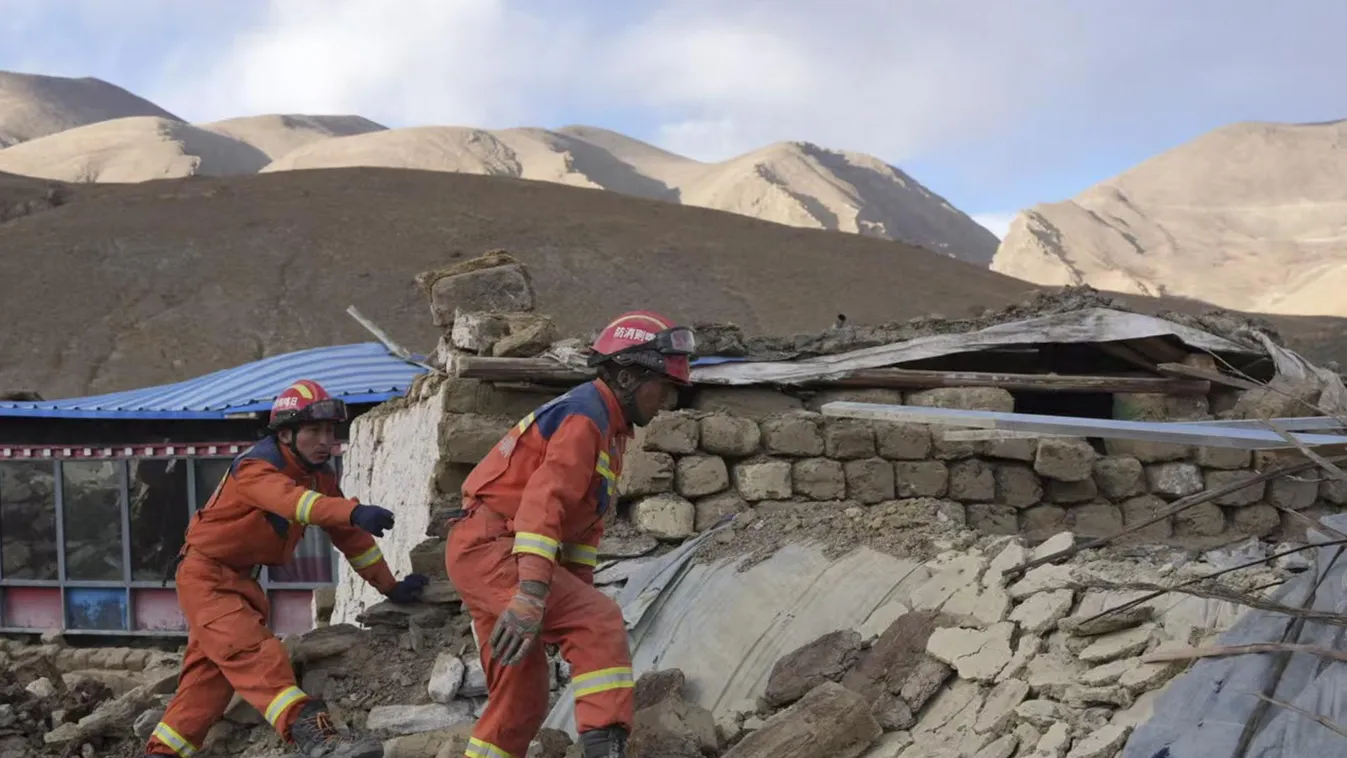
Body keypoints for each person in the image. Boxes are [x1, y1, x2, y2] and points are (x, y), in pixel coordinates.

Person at [446, 310, 696, 758]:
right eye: (664, 386)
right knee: (599, 622)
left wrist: (572, 595)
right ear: (625, 375)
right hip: (496, 549)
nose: (668, 401)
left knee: (521, 697)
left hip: (488, 551)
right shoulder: (585, 419)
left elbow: (583, 525)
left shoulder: (609, 429)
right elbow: (543, 507)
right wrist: (533, 595)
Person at [143, 379, 429, 758]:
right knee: (256, 653)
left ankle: (162, 751)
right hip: (206, 579)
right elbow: (295, 503)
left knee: (207, 682)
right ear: (286, 434)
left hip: (240, 582)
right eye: (314, 430)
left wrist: (389, 586)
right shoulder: (256, 469)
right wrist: (353, 511)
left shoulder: (319, 476)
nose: (325, 441)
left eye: (330, 431)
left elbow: (350, 538)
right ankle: (318, 737)